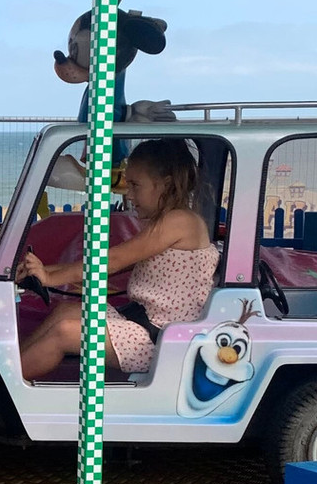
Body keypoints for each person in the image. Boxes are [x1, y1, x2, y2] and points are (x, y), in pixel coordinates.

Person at [19, 138, 219, 379]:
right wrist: (41, 271)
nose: (129, 195)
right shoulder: (170, 222)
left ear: (165, 185)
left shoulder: (179, 222)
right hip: (141, 321)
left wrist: (50, 277)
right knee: (67, 311)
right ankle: (11, 369)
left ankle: (2, 388)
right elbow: (113, 265)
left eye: (135, 185)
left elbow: (111, 261)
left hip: (161, 338)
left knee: (65, 332)